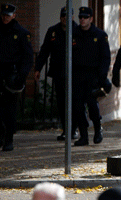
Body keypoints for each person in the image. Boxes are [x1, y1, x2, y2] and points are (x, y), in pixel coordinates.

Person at [34, 7, 79, 141]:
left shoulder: (77, 31)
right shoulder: (53, 31)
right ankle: (66, 129)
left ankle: (74, 129)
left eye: (68, 16)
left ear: (72, 17)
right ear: (60, 17)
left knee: (74, 102)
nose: (65, 18)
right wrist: (38, 68)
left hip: (74, 73)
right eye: (63, 16)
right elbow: (44, 51)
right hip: (59, 72)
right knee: (61, 102)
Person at [72, 7, 111, 146]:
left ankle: (97, 129)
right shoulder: (73, 34)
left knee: (92, 105)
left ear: (91, 19)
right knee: (77, 106)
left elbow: (105, 57)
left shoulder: (100, 35)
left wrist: (102, 76)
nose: (82, 20)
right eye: (80, 17)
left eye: (85, 17)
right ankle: (83, 135)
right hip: (77, 75)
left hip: (92, 75)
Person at [0, 3, 34, 151]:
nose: (5, 17)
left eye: (8, 15)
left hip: (12, 76)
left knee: (9, 110)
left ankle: (9, 139)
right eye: (3, 14)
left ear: (14, 15)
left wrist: (22, 75)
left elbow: (27, 57)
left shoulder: (21, 33)